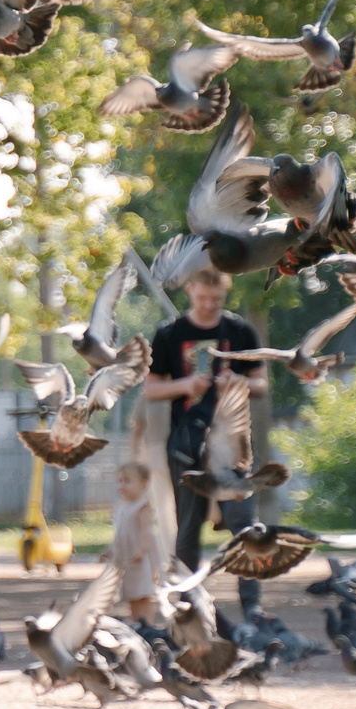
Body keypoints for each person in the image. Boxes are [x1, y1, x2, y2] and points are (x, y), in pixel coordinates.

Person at [142, 268, 270, 610]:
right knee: (188, 528)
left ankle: (251, 605)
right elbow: (151, 388)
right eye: (202, 298)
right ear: (190, 291)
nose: (209, 305)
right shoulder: (170, 334)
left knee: (244, 524)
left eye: (217, 300)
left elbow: (261, 384)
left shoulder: (240, 331)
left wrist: (238, 383)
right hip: (186, 445)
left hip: (233, 445)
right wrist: (185, 386)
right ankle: (189, 604)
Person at [106, 461, 162, 625]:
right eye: (120, 481)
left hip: (140, 557)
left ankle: (148, 623)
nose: (122, 485)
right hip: (127, 559)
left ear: (143, 484)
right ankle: (137, 623)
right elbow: (119, 533)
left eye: (127, 481)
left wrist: (142, 549)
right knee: (132, 592)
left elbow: (146, 530)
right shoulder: (120, 507)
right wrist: (109, 550)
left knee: (144, 592)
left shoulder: (142, 507)